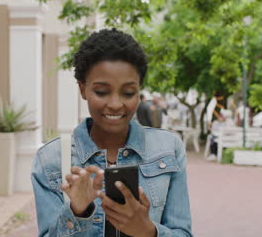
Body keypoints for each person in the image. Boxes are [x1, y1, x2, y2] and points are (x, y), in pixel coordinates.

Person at [31, 29, 192, 237]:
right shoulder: (51, 159)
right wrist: (77, 211)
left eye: (128, 93)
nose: (116, 104)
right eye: (101, 91)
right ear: (83, 89)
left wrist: (148, 232)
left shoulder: (168, 149)